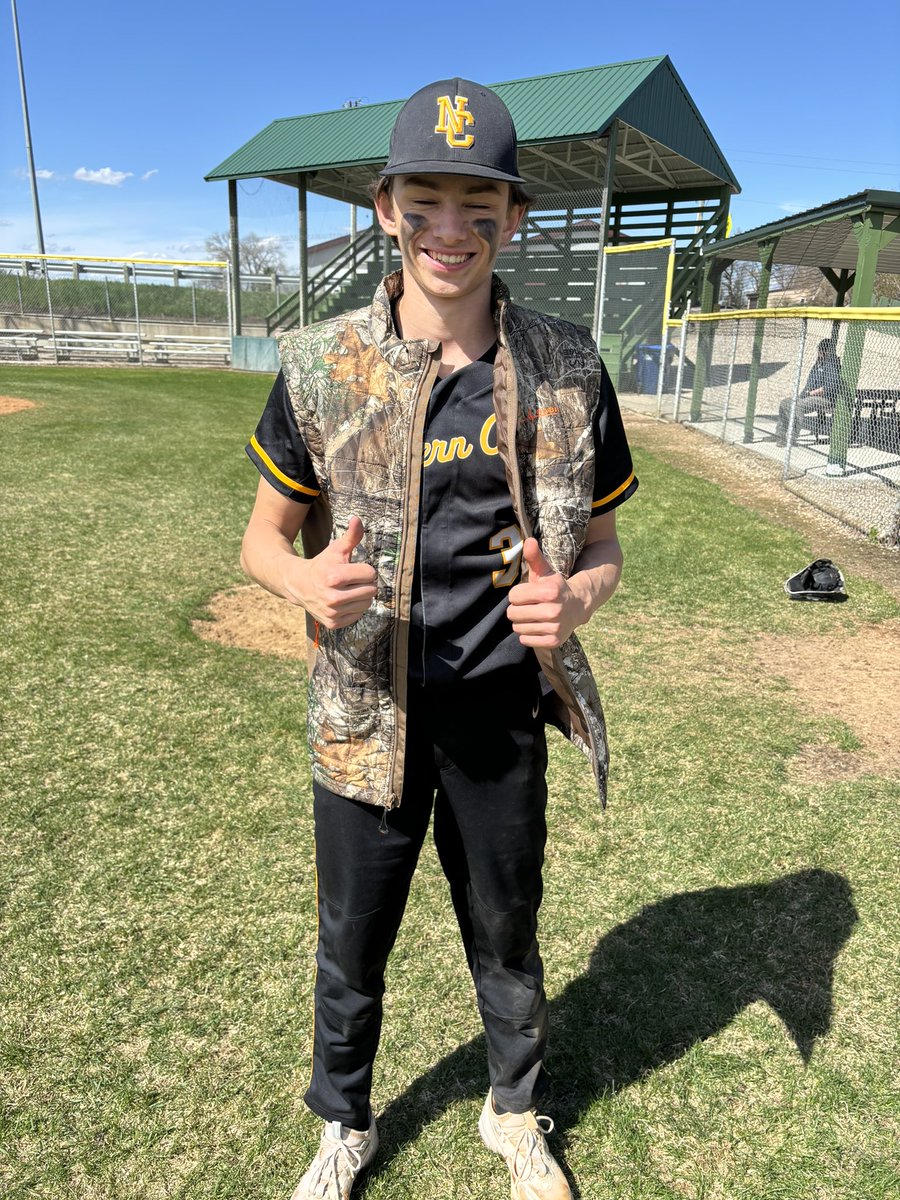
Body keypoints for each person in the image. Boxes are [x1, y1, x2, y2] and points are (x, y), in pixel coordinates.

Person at [240, 78, 638, 1200]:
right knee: (350, 944)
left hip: (502, 717)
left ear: (513, 220)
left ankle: (515, 1115)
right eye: (426, 199)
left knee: (507, 932)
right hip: (365, 718)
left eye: (479, 203)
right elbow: (262, 543)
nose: (450, 228)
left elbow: (603, 549)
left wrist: (581, 602)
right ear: (385, 207)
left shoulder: (567, 366)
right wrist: (303, 581)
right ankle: (345, 1124)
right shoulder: (321, 366)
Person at [774, 338, 843, 446]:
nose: (820, 353)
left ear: (828, 351)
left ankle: (791, 438)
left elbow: (830, 386)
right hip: (809, 395)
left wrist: (810, 393)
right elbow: (809, 383)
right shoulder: (818, 364)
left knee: (798, 406)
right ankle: (780, 434)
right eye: (820, 350)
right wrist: (802, 394)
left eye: (822, 350)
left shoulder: (832, 364)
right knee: (785, 403)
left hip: (826, 399)